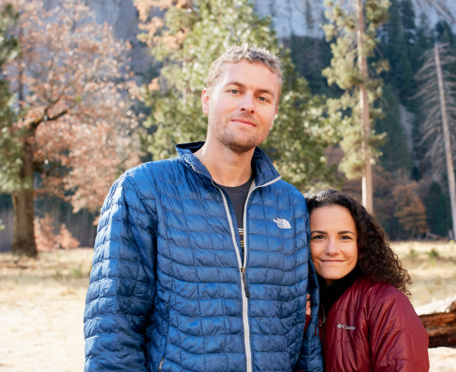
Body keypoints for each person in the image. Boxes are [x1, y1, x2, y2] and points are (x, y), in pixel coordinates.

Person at [83, 44, 322, 372]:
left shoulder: (290, 203)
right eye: (235, 90)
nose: (248, 105)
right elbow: (113, 325)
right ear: (207, 99)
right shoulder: (145, 189)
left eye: (263, 97)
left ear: (274, 113)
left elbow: (303, 334)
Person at [305, 190, 429, 371]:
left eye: (345, 237)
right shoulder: (296, 303)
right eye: (319, 237)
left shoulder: (387, 304)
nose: (332, 249)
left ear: (361, 243)